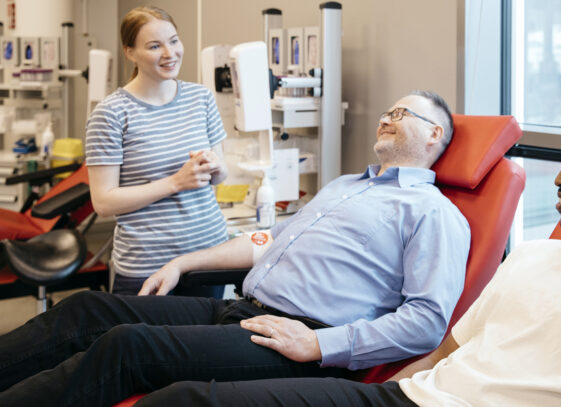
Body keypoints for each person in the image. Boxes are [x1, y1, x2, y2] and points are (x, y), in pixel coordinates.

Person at [132, 107, 561, 407]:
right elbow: (446, 352)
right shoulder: (535, 257)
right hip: (401, 398)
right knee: (185, 399)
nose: (559, 181)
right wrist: (381, 391)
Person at [0, 91, 471, 407]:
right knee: (88, 310)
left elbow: (427, 322)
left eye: (403, 114)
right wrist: (183, 262)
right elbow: (269, 242)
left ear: (435, 135)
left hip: (295, 337)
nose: (388, 117)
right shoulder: (345, 186)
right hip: (243, 308)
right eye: (387, 111)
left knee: (128, 346)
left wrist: (317, 344)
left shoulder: (435, 214)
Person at [85, 6, 229, 297]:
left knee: (203, 343)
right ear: (130, 52)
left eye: (174, 40)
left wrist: (214, 166)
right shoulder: (112, 114)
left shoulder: (200, 98)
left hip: (207, 257)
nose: (170, 53)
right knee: (143, 343)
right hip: (146, 266)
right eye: (154, 46)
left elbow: (221, 175)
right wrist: (176, 182)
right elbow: (103, 202)